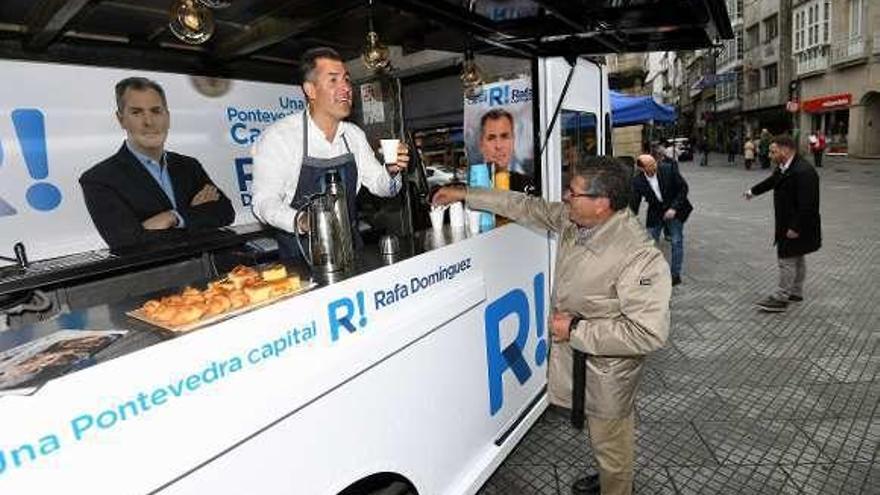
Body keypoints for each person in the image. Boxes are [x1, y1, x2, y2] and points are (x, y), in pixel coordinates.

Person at [433, 157, 671, 495]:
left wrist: (574, 331)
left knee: (612, 446)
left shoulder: (638, 255)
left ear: (602, 204)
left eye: (573, 193)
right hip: (582, 363)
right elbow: (525, 205)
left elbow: (648, 332)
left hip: (607, 373)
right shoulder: (577, 222)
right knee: (602, 438)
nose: (565, 198)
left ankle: (617, 486)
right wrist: (465, 194)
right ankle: (608, 478)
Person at [250, 47, 408, 259]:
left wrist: (391, 171)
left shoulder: (353, 135)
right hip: (303, 257)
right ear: (310, 90)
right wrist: (303, 221)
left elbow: (385, 189)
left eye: (346, 80)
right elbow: (264, 202)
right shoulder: (279, 137)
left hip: (351, 251)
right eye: (333, 81)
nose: (345, 88)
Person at [79, 77, 234, 250]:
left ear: (167, 117)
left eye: (156, 111)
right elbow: (128, 243)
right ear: (121, 119)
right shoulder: (99, 179)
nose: (149, 122)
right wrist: (195, 216)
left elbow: (225, 213)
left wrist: (173, 217)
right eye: (136, 112)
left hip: (212, 268)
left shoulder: (189, 166)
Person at [743, 135, 821, 312]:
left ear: (785, 150)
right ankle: (796, 292)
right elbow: (772, 181)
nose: (770, 155)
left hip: (796, 224)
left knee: (786, 259)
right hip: (789, 222)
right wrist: (752, 191)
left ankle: (781, 298)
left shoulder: (804, 171)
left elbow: (808, 204)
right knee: (798, 257)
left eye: (773, 151)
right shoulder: (785, 167)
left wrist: (796, 227)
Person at [630, 154, 693, 286]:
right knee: (649, 244)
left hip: (674, 209)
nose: (654, 167)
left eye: (654, 163)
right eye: (650, 166)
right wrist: (630, 219)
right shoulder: (637, 181)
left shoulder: (668, 169)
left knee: (676, 241)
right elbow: (634, 203)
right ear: (642, 169)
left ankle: (675, 275)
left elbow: (683, 188)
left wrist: (674, 208)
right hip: (655, 212)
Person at [478, 108, 534, 193]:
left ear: (513, 140)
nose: (498, 146)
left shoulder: (528, 184)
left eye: (504, 137)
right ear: (481, 144)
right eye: (491, 138)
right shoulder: (472, 185)